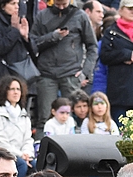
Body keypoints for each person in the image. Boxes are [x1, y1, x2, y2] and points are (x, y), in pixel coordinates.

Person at [30, 0, 97, 135]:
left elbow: (92, 47)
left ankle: (72, 152)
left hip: (71, 74)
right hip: (46, 73)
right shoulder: (42, 15)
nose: (61, 7)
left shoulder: (80, 15)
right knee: (45, 117)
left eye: (64, 4)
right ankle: (41, 151)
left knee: (70, 118)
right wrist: (53, 36)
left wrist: (85, 72)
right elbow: (33, 43)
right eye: (58, 4)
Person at [0, 75, 34, 177]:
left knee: (35, 165)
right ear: (4, 91)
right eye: (12, 89)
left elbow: (28, 139)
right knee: (20, 164)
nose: (16, 92)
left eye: (18, 89)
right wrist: (19, 154)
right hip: (2, 155)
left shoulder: (24, 114)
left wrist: (27, 153)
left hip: (22, 155)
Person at [0, 0, 33, 103]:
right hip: (0, 78)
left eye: (18, 4)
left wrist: (26, 37)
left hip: (20, 78)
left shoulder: (20, 23)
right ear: (3, 6)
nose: (17, 7)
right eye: (13, 4)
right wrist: (14, 30)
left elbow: (34, 52)